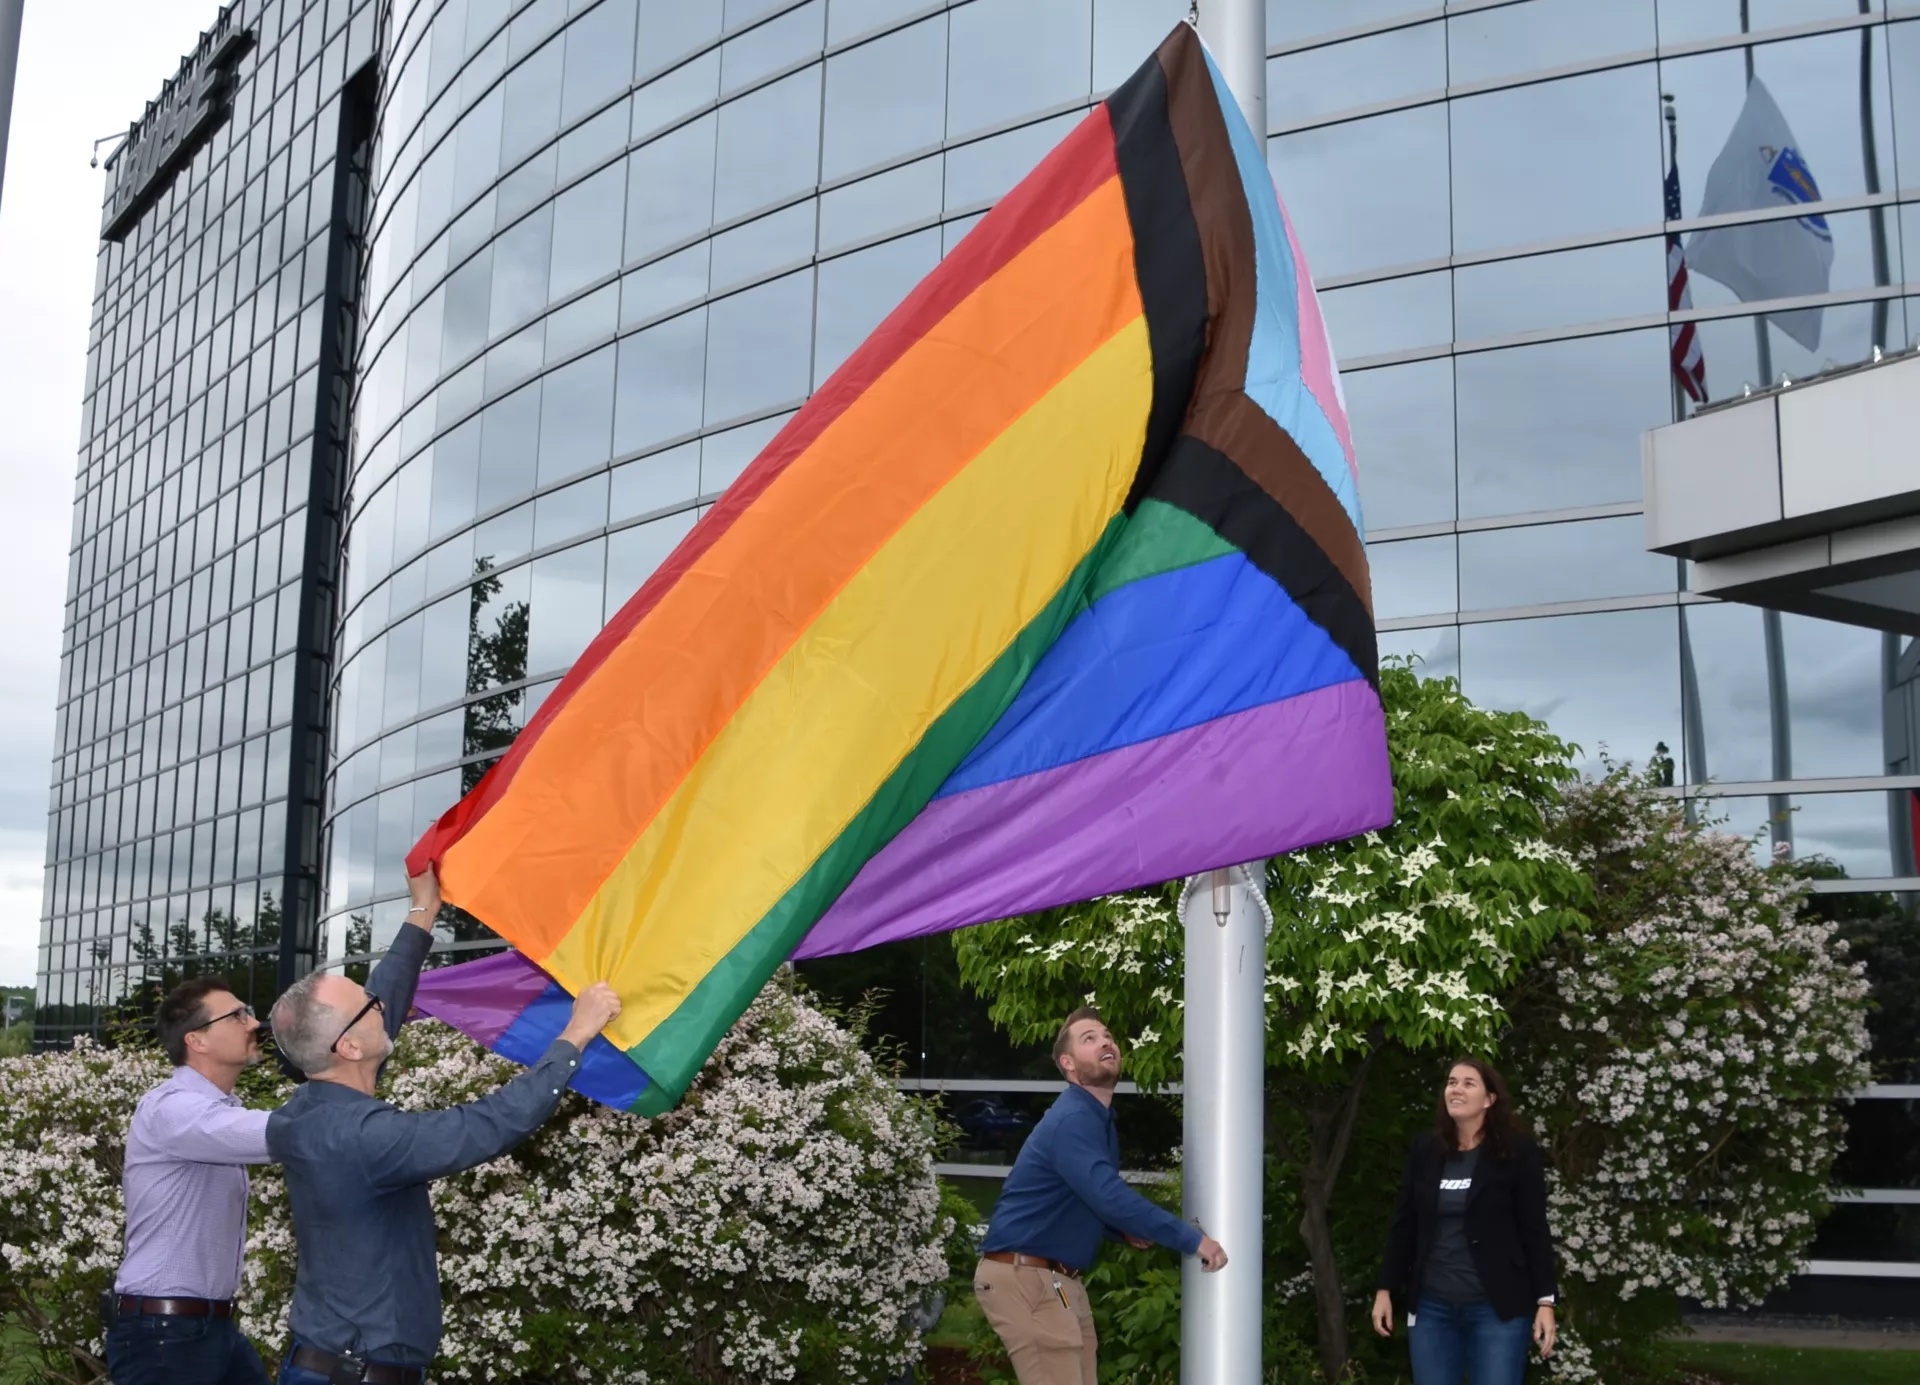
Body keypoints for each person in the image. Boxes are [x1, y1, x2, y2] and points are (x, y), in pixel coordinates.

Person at [265, 868, 622, 1384]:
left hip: (325, 1364)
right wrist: (576, 1034)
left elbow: (376, 1016)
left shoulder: (301, 1114)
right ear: (348, 1048)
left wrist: (423, 912)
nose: (381, 1005)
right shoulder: (368, 1138)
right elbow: (487, 1125)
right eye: (367, 1006)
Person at [974, 1006, 1227, 1385]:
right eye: (1089, 1039)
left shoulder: (1094, 1119)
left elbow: (1079, 1196)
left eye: (1107, 1035)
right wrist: (1192, 1240)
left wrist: (1119, 1231)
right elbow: (1109, 1196)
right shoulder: (1074, 1120)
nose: (1105, 1042)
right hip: (1027, 1277)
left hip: (1058, 1282)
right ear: (1069, 1064)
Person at [106, 975, 275, 1385]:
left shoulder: (219, 1111)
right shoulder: (172, 1109)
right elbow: (283, 1135)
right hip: (165, 1334)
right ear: (196, 1040)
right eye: (237, 1016)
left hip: (207, 1326)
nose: (253, 1024)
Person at [1372, 1058, 1559, 1385]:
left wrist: (1546, 1301)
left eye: (1468, 1083)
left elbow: (1534, 1228)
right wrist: (1385, 1288)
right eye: (1451, 1082)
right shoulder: (1426, 1149)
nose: (1455, 1089)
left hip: (1497, 1309)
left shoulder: (1517, 1152)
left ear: (1489, 1100)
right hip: (1432, 1309)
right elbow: (1404, 1223)